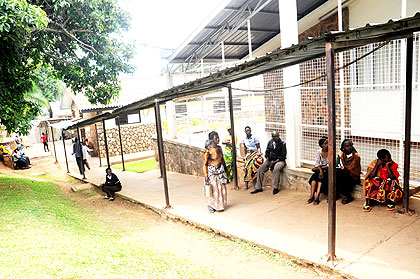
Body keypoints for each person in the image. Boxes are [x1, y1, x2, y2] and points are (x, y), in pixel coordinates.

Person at [203, 131, 229, 213]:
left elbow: (222, 160)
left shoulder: (219, 148)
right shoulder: (208, 150)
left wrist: (226, 170)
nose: (218, 139)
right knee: (214, 190)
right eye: (216, 138)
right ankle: (212, 205)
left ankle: (220, 205)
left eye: (218, 137)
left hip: (220, 172)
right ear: (211, 140)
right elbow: (205, 164)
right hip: (212, 173)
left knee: (221, 189)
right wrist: (206, 176)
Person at [336, 139, 361, 204]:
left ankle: (348, 196)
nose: (349, 147)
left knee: (344, 176)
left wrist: (346, 170)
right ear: (343, 147)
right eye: (347, 146)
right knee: (336, 174)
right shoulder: (341, 155)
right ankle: (335, 194)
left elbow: (355, 170)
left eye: (350, 146)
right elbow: (337, 165)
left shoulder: (356, 156)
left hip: (352, 176)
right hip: (342, 174)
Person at [307, 136, 328, 205]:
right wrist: (320, 169)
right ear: (322, 145)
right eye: (325, 143)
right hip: (320, 169)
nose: (327, 145)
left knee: (320, 179)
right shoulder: (319, 152)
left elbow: (330, 164)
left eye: (328, 143)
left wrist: (321, 168)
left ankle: (317, 197)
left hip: (326, 170)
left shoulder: (331, 151)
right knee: (314, 179)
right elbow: (317, 163)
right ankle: (312, 196)